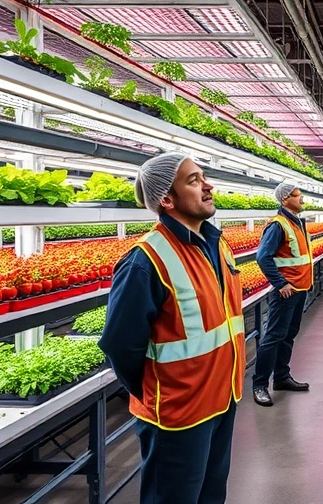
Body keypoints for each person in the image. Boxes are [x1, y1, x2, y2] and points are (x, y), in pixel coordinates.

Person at [99, 152, 245, 504]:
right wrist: (158, 390)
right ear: (167, 198)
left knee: (211, 496)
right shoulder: (145, 260)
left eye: (203, 177)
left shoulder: (217, 244)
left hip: (222, 398)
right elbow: (120, 345)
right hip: (177, 414)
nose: (207, 186)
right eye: (193, 181)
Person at [251, 182, 314, 406]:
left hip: (300, 289)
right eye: (298, 196)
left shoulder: (296, 223)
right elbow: (263, 257)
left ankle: (281, 377)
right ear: (285, 199)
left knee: (288, 334)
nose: (302, 200)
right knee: (273, 337)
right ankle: (259, 385)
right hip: (286, 292)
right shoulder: (278, 225)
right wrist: (280, 284)